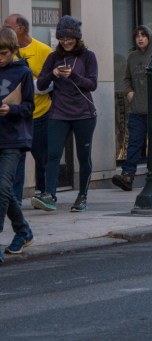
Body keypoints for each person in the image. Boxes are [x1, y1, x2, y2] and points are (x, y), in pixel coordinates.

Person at [34, 16, 98, 213]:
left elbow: (92, 84)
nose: (66, 42)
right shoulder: (53, 58)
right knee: (52, 154)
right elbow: (41, 85)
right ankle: (49, 195)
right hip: (59, 113)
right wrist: (53, 73)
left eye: (69, 38)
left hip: (84, 113)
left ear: (77, 38)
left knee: (83, 155)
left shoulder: (88, 56)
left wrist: (73, 75)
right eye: (62, 38)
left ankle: (82, 197)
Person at [2, 14, 52, 206]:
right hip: (9, 122)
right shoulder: (5, 58)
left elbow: (50, 83)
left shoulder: (42, 51)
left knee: (41, 157)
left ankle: (43, 192)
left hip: (37, 115)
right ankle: (13, 207)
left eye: (8, 26)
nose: (4, 29)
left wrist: (30, 86)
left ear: (20, 29)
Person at [0, 28, 35, 261]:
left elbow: (29, 107)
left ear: (14, 50)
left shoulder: (22, 72)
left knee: (3, 188)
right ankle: (23, 231)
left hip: (13, 138)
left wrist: (10, 109)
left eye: (3, 53)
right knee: (6, 191)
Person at [111, 26, 152, 191]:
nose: (140, 39)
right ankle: (127, 175)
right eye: (137, 36)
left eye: (143, 36)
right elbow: (126, 78)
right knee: (134, 143)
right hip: (136, 109)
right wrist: (128, 92)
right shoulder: (132, 57)